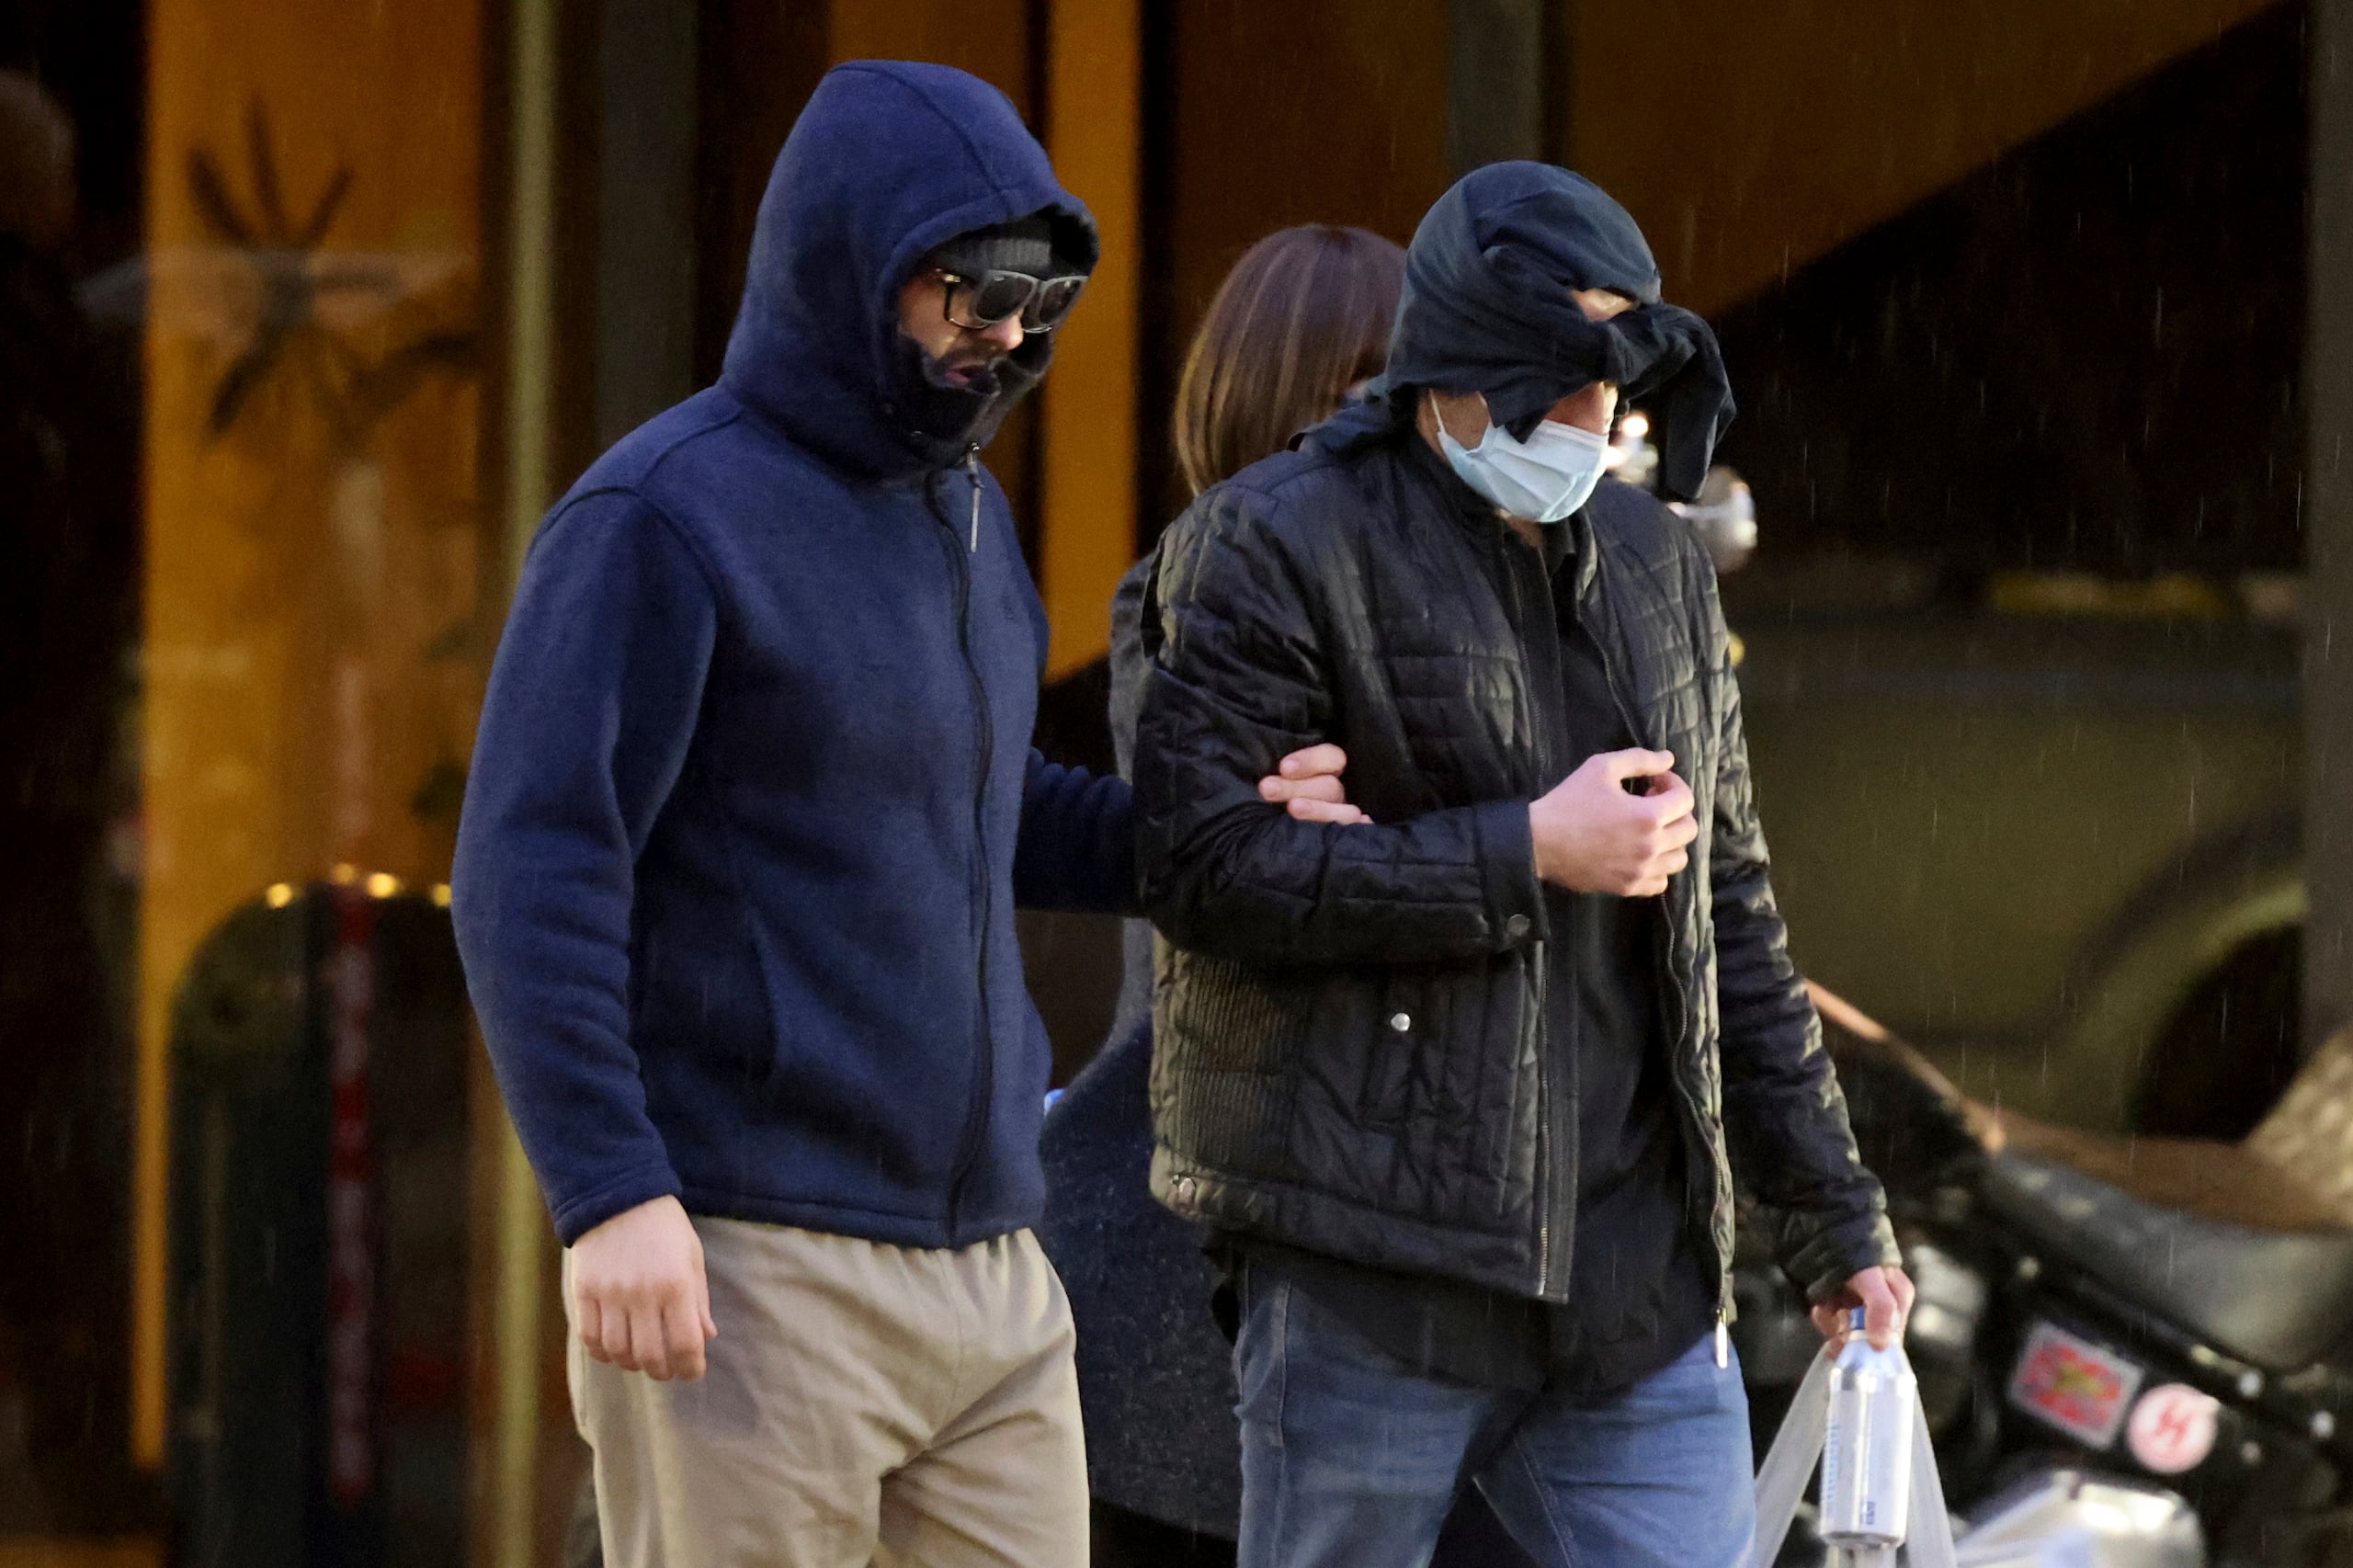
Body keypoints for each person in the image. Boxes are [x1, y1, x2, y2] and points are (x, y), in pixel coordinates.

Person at [452, 62, 1344, 1568]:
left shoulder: (967, 516)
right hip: (751, 1258)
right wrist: (611, 1193)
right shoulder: (659, 520)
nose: (1006, 338)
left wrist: (1225, 830)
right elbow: (533, 866)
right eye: (973, 291)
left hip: (994, 1270)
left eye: (1038, 303)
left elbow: (1003, 812)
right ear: (851, 262)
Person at [1131, 162, 1915, 1568]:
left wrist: (1832, 1216)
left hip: (1636, 1290)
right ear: (1456, 368)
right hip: (1373, 1272)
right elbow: (1206, 875)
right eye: (1559, 385)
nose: (1592, 423)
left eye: (1614, 387)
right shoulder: (1269, 545)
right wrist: (1526, 847)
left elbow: (1729, 915)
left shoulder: (1656, 563)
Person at [1038, 224, 1406, 1567]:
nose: (1388, 424)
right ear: (1262, 400)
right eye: (1348, 386)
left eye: (1409, 382)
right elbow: (1274, 867)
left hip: (1375, 1288)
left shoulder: (1482, 607)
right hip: (1172, 1274)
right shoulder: (1185, 592)